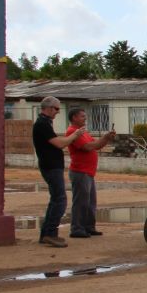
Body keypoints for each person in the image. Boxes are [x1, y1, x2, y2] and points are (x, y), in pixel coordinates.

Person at [32, 96, 83, 248]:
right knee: (60, 200)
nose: (58, 112)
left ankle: (47, 234)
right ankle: (50, 234)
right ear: (48, 108)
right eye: (56, 109)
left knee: (56, 199)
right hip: (51, 166)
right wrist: (75, 135)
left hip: (52, 166)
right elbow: (60, 143)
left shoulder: (45, 123)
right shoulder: (42, 124)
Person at [64, 107, 116, 238]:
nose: (85, 118)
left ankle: (88, 227)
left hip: (87, 172)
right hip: (80, 171)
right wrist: (105, 138)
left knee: (90, 202)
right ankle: (77, 228)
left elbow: (96, 145)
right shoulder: (73, 132)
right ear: (74, 118)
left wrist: (106, 138)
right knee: (81, 202)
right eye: (82, 116)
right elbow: (88, 147)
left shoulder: (82, 132)